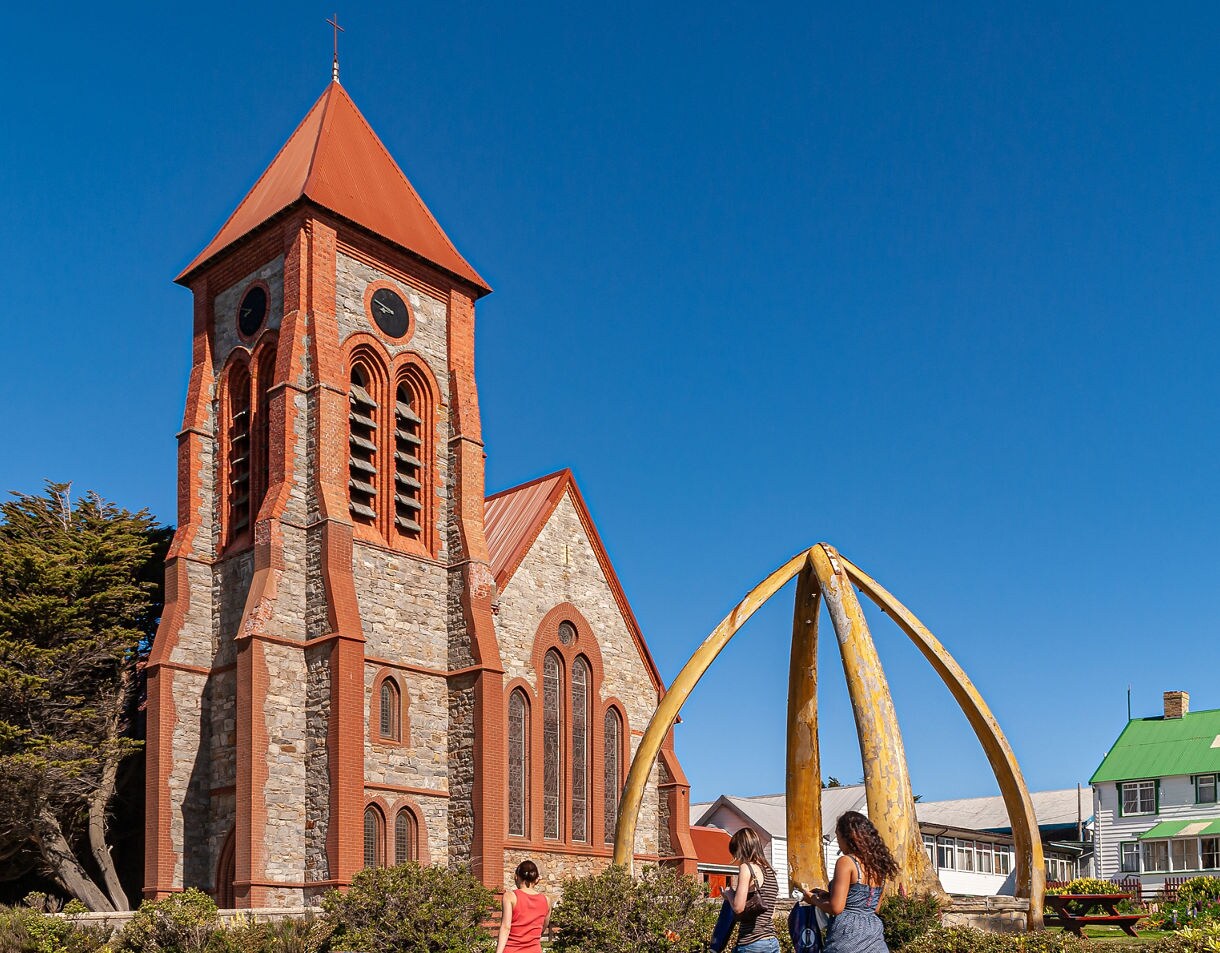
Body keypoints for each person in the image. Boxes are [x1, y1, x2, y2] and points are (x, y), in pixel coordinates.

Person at [798, 811, 899, 953]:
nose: (838, 841)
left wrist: (813, 899)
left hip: (849, 936)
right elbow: (873, 907)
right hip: (874, 936)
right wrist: (828, 895)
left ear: (848, 836)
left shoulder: (847, 862)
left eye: (837, 835)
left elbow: (836, 908)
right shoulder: (878, 864)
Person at [715, 827, 780, 953]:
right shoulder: (770, 872)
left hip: (752, 942)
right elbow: (770, 910)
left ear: (741, 849)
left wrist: (729, 894)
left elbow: (738, 907)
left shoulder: (747, 868)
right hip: (771, 941)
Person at [496, 860, 552, 953]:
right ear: (537, 879)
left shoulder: (510, 896)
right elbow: (543, 926)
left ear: (516, 877)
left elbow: (506, 927)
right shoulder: (546, 900)